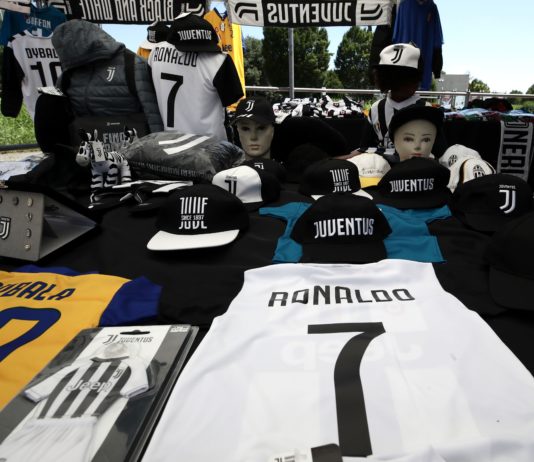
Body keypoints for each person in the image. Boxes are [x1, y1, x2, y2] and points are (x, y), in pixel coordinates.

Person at [358, 42, 425, 157]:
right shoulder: (376, 109)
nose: (397, 82)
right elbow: (365, 148)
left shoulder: (427, 111)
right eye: (392, 77)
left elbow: (440, 153)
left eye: (403, 77)